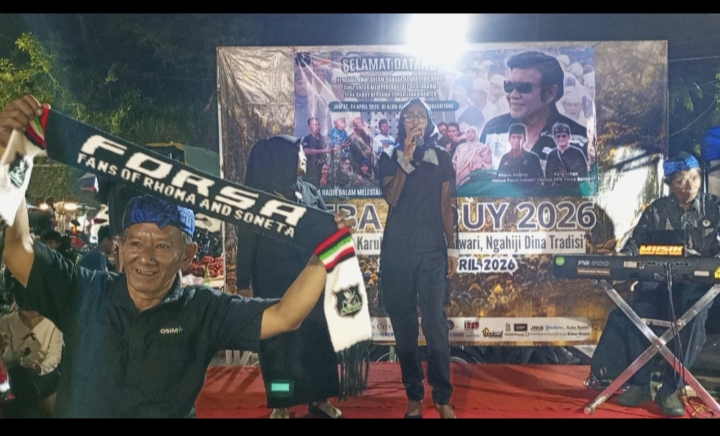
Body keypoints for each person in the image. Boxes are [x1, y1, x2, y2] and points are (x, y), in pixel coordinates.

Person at [0, 94, 355, 418]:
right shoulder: (83, 292)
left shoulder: (202, 310)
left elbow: (285, 316)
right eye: (136, 244)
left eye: (162, 246)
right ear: (119, 248)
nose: (146, 258)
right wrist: (12, 156)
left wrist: (326, 252)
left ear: (188, 255)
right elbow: (17, 249)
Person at [592, 152, 716, 417]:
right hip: (658, 283)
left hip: (697, 285)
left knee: (694, 318)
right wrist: (622, 259)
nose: (689, 185)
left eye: (694, 178)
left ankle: (671, 389)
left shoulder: (714, 207)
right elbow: (636, 244)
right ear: (669, 183)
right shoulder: (657, 209)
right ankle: (640, 385)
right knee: (637, 311)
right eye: (681, 180)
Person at [236, 135, 343, 419]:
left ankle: (319, 399)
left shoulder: (309, 191)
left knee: (318, 342)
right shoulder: (258, 200)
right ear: (280, 159)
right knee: (278, 349)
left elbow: (328, 232)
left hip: (311, 284)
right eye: (298, 151)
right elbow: (246, 243)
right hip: (273, 286)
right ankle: (281, 403)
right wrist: (243, 285)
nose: (304, 155)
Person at [377, 98, 458, 419]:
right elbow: (392, 198)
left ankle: (442, 397)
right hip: (397, 252)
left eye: (420, 116)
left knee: (436, 323)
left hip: (432, 252)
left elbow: (447, 205)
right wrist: (406, 159)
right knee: (405, 327)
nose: (415, 120)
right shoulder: (388, 157)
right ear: (401, 122)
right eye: (409, 116)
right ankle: (414, 396)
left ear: (429, 122)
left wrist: (452, 248)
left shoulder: (441, 157)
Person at [480, 51, 587, 167]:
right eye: (509, 86)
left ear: (550, 93)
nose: (513, 95)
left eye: (524, 87)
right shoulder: (493, 130)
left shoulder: (580, 138)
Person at [0, 306, 63, 418]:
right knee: (19, 378)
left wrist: (40, 367)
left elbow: (54, 356)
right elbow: (5, 356)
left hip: (41, 375)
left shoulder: (53, 324)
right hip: (14, 371)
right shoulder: (7, 321)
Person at [544, 122, 588, 192]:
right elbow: (548, 178)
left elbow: (584, 174)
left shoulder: (578, 153)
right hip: (556, 191)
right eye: (558, 136)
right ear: (554, 138)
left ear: (569, 137)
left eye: (564, 136)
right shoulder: (551, 155)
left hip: (574, 190)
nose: (561, 138)